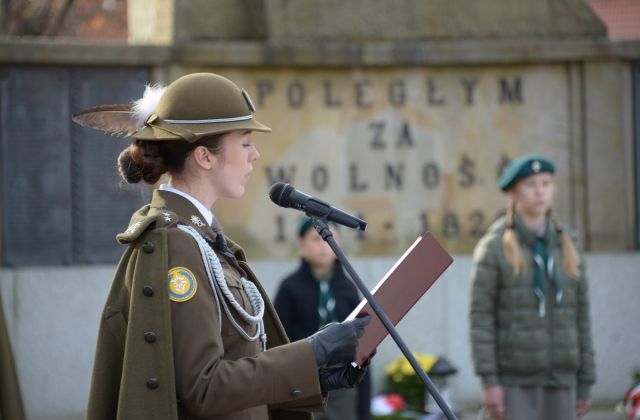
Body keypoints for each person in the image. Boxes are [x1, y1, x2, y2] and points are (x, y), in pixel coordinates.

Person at [77, 72, 371, 420]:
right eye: (245, 142)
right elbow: (204, 387)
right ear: (205, 156)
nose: (255, 155)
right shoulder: (178, 243)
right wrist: (313, 351)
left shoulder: (201, 238)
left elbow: (235, 364)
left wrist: (312, 377)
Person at [469, 154, 596, 420]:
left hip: (563, 380)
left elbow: (581, 316)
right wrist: (489, 382)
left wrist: (585, 381)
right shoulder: (494, 247)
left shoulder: (568, 243)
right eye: (531, 185)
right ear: (513, 192)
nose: (540, 191)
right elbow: (481, 319)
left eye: (546, 183)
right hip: (515, 382)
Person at [274, 217, 372, 420]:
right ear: (302, 243)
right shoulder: (289, 287)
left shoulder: (348, 287)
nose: (323, 246)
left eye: (330, 239)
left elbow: (362, 344)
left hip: (343, 387)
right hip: (303, 384)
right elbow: (278, 342)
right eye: (315, 239)